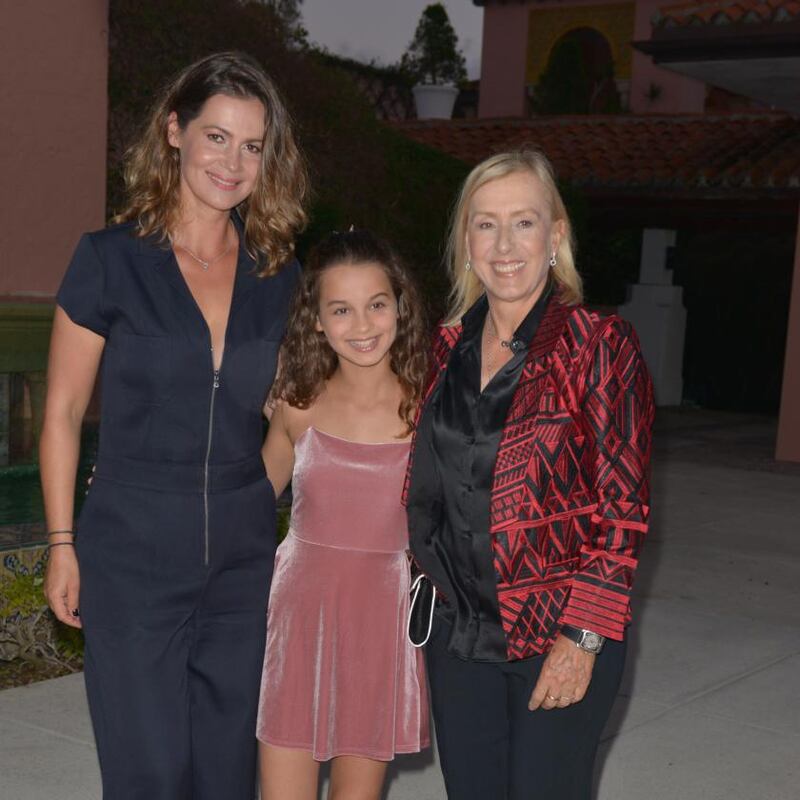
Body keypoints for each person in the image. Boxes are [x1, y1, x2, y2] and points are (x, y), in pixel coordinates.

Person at [40, 52, 307, 799]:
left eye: (252, 145)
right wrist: (62, 543)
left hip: (243, 561)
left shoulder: (276, 273)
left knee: (228, 773)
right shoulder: (108, 261)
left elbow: (292, 414)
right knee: (150, 774)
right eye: (216, 136)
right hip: (129, 552)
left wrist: (261, 497)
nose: (233, 161)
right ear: (173, 132)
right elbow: (61, 414)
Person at [404, 148, 655, 800]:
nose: (504, 243)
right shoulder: (442, 347)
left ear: (556, 234)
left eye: (524, 221)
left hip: (557, 634)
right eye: (485, 223)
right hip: (458, 635)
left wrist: (583, 635)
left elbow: (622, 510)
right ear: (466, 241)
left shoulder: (599, 344)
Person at [256, 230, 431, 800]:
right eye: (341, 310)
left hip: (379, 627)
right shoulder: (296, 406)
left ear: (400, 307)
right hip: (298, 620)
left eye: (376, 304)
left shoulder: (428, 408)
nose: (362, 325)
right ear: (316, 321)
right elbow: (247, 506)